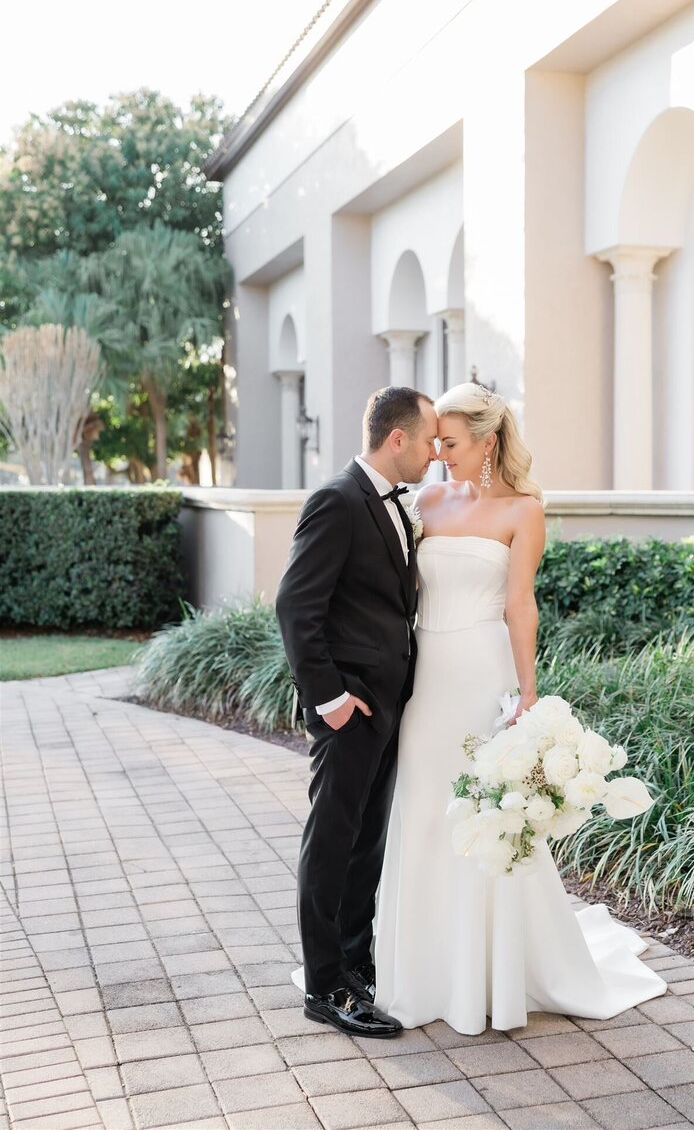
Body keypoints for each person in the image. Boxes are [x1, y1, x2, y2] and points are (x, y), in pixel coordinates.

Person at [374, 381, 667, 1033]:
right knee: (422, 805)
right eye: (435, 442)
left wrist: (528, 692)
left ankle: (494, 971)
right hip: (425, 674)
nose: (439, 453)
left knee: (484, 809)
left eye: (450, 442)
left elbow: (520, 604)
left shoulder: (523, 510)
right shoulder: (426, 501)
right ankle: (421, 967)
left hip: (483, 672)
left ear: (488, 441)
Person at [275, 385, 439, 1038]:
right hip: (350, 708)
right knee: (332, 843)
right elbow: (296, 605)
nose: (435, 452)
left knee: (365, 844)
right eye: (429, 440)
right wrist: (331, 699)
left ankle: (355, 966)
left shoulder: (396, 503)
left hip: (388, 704)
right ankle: (325, 987)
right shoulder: (337, 500)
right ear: (397, 439)